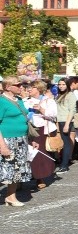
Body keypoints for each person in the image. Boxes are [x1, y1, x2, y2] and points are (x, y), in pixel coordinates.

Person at [0, 75, 33, 206]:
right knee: (5, 169)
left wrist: (31, 138)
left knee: (16, 169)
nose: (21, 87)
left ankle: (11, 197)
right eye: (18, 85)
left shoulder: (19, 100)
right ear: (8, 87)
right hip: (7, 139)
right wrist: (2, 146)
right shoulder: (2, 101)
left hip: (21, 139)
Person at [28, 80, 57, 190]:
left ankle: (39, 177)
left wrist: (41, 109)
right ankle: (21, 179)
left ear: (39, 89)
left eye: (32, 87)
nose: (29, 90)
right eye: (29, 88)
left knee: (38, 153)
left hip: (40, 129)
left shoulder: (47, 101)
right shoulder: (25, 101)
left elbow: (53, 115)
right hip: (27, 128)